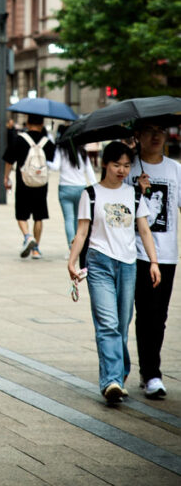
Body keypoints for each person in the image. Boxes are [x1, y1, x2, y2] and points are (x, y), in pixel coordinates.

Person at [68, 141, 160, 404]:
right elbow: (82, 232)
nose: (122, 170)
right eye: (117, 164)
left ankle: (120, 373)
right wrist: (72, 262)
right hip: (99, 262)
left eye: (126, 165)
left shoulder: (133, 194)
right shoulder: (91, 194)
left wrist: (153, 262)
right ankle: (112, 381)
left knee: (122, 324)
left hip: (128, 264)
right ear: (105, 164)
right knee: (107, 324)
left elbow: (144, 230)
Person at [128, 120, 181, 399]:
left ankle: (149, 369)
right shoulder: (129, 168)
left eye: (161, 129)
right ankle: (151, 373)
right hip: (136, 253)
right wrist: (137, 190)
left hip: (167, 254)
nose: (157, 135)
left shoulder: (175, 169)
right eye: (150, 130)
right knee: (144, 312)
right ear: (137, 135)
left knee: (159, 316)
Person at [3, 117, 56, 259]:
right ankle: (36, 249)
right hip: (41, 183)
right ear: (41, 124)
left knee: (21, 214)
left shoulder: (19, 139)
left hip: (24, 182)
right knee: (39, 216)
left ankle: (27, 237)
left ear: (27, 124)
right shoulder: (47, 141)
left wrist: (6, 177)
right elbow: (52, 160)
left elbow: (9, 160)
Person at [47, 134, 97, 250]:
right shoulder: (83, 152)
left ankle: (71, 246)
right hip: (81, 189)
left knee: (69, 218)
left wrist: (46, 160)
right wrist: (96, 187)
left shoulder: (61, 150)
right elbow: (90, 172)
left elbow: (55, 166)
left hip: (65, 189)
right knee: (78, 219)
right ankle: (78, 247)